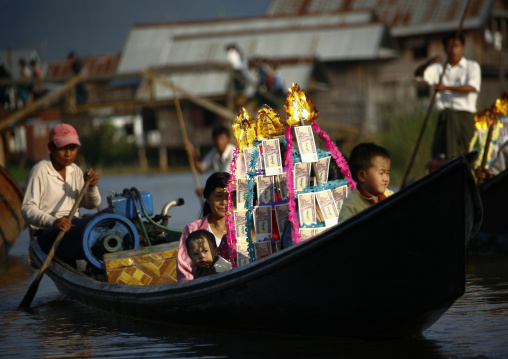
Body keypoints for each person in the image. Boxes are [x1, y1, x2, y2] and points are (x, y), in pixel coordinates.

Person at [21, 123, 102, 265]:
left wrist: (92, 187)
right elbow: (27, 209)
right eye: (63, 148)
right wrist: (54, 222)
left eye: (72, 148)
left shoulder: (75, 170)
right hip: (49, 233)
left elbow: (91, 204)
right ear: (51, 148)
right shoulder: (40, 171)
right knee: (90, 225)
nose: (68, 154)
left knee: (109, 216)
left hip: (73, 228)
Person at [414, 32, 481, 160]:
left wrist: (446, 88)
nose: (453, 50)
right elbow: (418, 74)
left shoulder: (472, 67)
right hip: (445, 117)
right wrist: (428, 63)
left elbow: (472, 87)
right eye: (449, 47)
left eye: (456, 46)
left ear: (463, 47)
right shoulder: (439, 68)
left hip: (463, 117)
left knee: (465, 152)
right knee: (441, 154)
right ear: (445, 49)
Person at [177, 172, 235, 281]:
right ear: (207, 198)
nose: (224, 202)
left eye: (229, 196)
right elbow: (185, 272)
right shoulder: (192, 229)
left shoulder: (245, 226)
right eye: (218, 196)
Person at [338, 143, 393, 222]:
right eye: (381, 173)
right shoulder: (351, 207)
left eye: (387, 173)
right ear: (362, 176)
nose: (385, 178)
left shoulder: (389, 195)